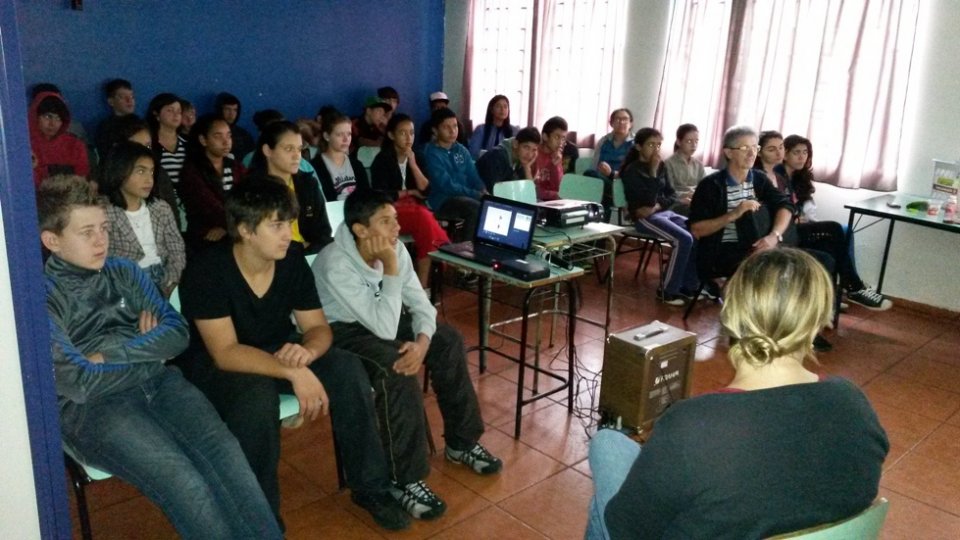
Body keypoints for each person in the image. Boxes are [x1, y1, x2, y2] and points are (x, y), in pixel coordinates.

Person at [38, 175, 281, 539]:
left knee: (226, 454)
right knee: (182, 477)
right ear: (52, 240)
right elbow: (78, 380)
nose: (101, 239)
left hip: (160, 383)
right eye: (86, 232)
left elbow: (178, 332)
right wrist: (149, 353)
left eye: (104, 227)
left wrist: (110, 354)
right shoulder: (42, 295)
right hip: (94, 409)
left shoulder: (124, 270)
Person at [586, 248, 888, 539]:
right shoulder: (853, 402)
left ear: (730, 314)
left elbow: (627, 530)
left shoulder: (693, 425)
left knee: (607, 443)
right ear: (818, 322)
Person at [177, 178, 411, 531]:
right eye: (276, 225)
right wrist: (292, 372)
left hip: (276, 348)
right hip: (216, 365)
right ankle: (260, 516)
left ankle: (370, 486)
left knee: (346, 368)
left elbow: (318, 328)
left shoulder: (290, 261)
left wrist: (305, 352)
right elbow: (225, 352)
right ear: (245, 230)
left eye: (288, 223)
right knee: (255, 400)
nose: (288, 233)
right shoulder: (208, 270)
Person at [312, 189, 502, 520]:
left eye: (395, 219)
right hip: (344, 332)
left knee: (449, 340)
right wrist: (388, 266)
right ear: (360, 229)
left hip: (384, 317)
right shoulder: (335, 263)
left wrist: (424, 342)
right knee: (396, 366)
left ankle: (461, 442)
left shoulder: (395, 248)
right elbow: (384, 330)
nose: (396, 228)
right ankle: (406, 478)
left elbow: (419, 304)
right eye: (386, 222)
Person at [778, 134, 892, 310]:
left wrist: (800, 216)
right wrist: (794, 216)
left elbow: (808, 212)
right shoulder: (778, 178)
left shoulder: (800, 179)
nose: (802, 157)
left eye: (805, 152)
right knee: (835, 229)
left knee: (834, 241)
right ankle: (853, 287)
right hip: (786, 232)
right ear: (784, 154)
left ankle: (830, 301)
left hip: (801, 227)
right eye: (796, 152)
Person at [688, 125, 794, 278]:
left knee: (819, 259)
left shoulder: (759, 179)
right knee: (776, 267)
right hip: (721, 251)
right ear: (729, 152)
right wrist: (735, 213)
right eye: (744, 148)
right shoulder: (711, 185)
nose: (752, 154)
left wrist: (774, 235)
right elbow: (697, 229)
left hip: (757, 245)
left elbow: (785, 205)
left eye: (755, 147)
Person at [369, 113, 450, 288]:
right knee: (424, 218)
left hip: (413, 210)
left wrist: (412, 164)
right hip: (388, 211)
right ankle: (441, 256)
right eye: (403, 133)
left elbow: (426, 190)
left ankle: (422, 285)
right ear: (391, 135)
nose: (408, 138)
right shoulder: (382, 160)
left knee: (425, 225)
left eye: (411, 133)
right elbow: (382, 196)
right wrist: (409, 192)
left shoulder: (417, 157)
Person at [620, 128, 698, 305]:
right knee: (683, 239)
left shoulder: (661, 166)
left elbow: (670, 195)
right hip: (643, 219)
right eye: (650, 145)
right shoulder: (632, 171)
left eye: (658, 145)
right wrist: (653, 173)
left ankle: (689, 285)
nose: (656, 149)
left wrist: (656, 205)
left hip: (661, 213)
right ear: (639, 147)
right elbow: (644, 201)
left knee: (696, 230)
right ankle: (667, 291)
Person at [98, 141, 185, 297]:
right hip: (127, 283)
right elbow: (103, 259)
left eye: (151, 172)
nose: (149, 179)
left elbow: (176, 248)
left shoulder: (160, 208)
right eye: (140, 171)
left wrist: (171, 282)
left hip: (164, 276)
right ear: (120, 172)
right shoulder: (103, 212)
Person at [250, 120, 333, 254]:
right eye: (289, 149)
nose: (297, 156)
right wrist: (299, 248)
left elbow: (323, 232)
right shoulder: (252, 189)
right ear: (267, 150)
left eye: (299, 149)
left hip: (309, 254)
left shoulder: (308, 184)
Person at [178, 115, 244, 253]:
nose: (226, 142)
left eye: (228, 136)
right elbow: (209, 207)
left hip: (234, 229)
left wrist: (228, 227)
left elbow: (248, 199)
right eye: (218, 136)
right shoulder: (192, 171)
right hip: (204, 235)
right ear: (203, 140)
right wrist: (233, 225)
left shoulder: (236, 167)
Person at [421, 107, 487, 241]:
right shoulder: (431, 153)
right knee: (474, 208)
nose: (452, 131)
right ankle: (464, 251)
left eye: (455, 126)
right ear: (435, 130)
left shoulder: (461, 149)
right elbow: (446, 185)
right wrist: (476, 194)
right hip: (442, 200)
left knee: (490, 204)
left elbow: (473, 175)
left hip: (465, 197)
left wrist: (483, 190)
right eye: (446, 127)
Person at [104, 115, 180, 229]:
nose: (144, 152)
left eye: (148, 146)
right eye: (137, 147)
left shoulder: (159, 174)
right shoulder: (103, 189)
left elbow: (174, 222)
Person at [29, 90, 90, 187]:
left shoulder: (75, 144)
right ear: (35, 115)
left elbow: (81, 181)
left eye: (58, 119)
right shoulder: (22, 145)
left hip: (70, 198)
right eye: (48, 116)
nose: (52, 124)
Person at [314, 110, 371, 201]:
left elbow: (366, 196)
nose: (346, 139)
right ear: (326, 136)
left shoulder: (357, 165)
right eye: (340, 135)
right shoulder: (315, 167)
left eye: (349, 134)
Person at [475, 126, 541, 192]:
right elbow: (494, 192)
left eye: (534, 150)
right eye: (526, 147)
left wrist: (527, 168)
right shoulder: (497, 156)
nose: (529, 154)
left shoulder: (520, 160)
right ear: (515, 144)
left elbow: (529, 193)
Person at [662, 123, 705, 215]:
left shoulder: (698, 165)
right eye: (689, 141)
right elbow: (668, 192)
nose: (694, 145)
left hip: (696, 200)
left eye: (696, 141)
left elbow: (705, 187)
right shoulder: (668, 164)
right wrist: (685, 195)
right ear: (678, 142)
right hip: (677, 203)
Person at [147, 93, 187, 188]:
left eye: (179, 111)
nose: (176, 115)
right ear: (156, 114)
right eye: (170, 110)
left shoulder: (187, 143)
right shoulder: (149, 143)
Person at [94, 78, 136, 159]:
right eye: (122, 97)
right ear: (111, 102)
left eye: (132, 96)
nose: (129, 100)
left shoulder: (141, 124)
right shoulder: (106, 127)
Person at [532, 116, 568, 201]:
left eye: (563, 138)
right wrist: (553, 195)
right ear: (545, 137)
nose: (560, 143)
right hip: (534, 199)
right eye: (557, 137)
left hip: (550, 201)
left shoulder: (556, 156)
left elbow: (558, 187)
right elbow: (531, 188)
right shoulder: (533, 153)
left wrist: (556, 165)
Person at [215, 92, 256, 160]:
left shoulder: (243, 135)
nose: (231, 114)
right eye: (227, 109)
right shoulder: (210, 132)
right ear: (220, 110)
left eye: (235, 110)